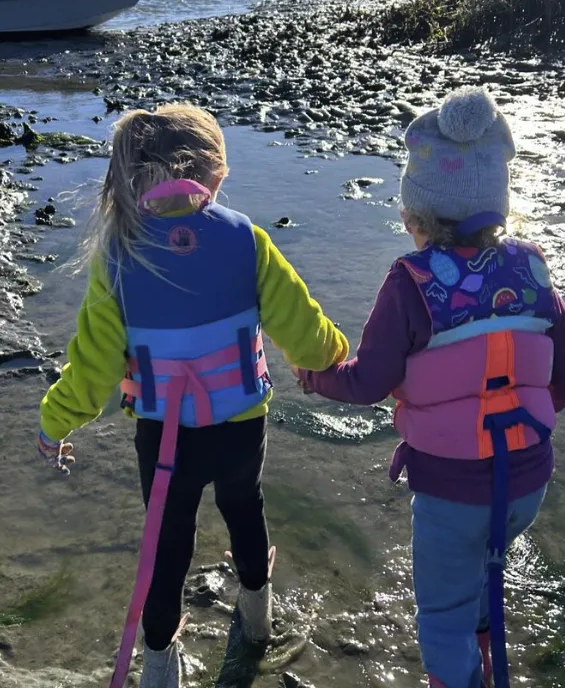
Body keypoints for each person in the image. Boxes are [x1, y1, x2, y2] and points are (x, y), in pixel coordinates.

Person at [37, 103, 348, 688]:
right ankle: (257, 624)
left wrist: (54, 424)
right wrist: (333, 356)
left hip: (163, 438)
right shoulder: (245, 239)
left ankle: (160, 666)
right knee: (244, 509)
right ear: (210, 175)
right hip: (239, 425)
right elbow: (302, 331)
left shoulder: (119, 255)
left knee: (167, 543)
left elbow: (93, 367)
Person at [294, 87, 565, 688]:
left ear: (414, 218)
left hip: (453, 488)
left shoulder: (411, 284)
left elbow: (371, 382)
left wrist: (319, 379)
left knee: (440, 610)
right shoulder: (531, 268)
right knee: (485, 564)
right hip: (528, 477)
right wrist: (524, 418)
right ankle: (485, 636)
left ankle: (459, 673)